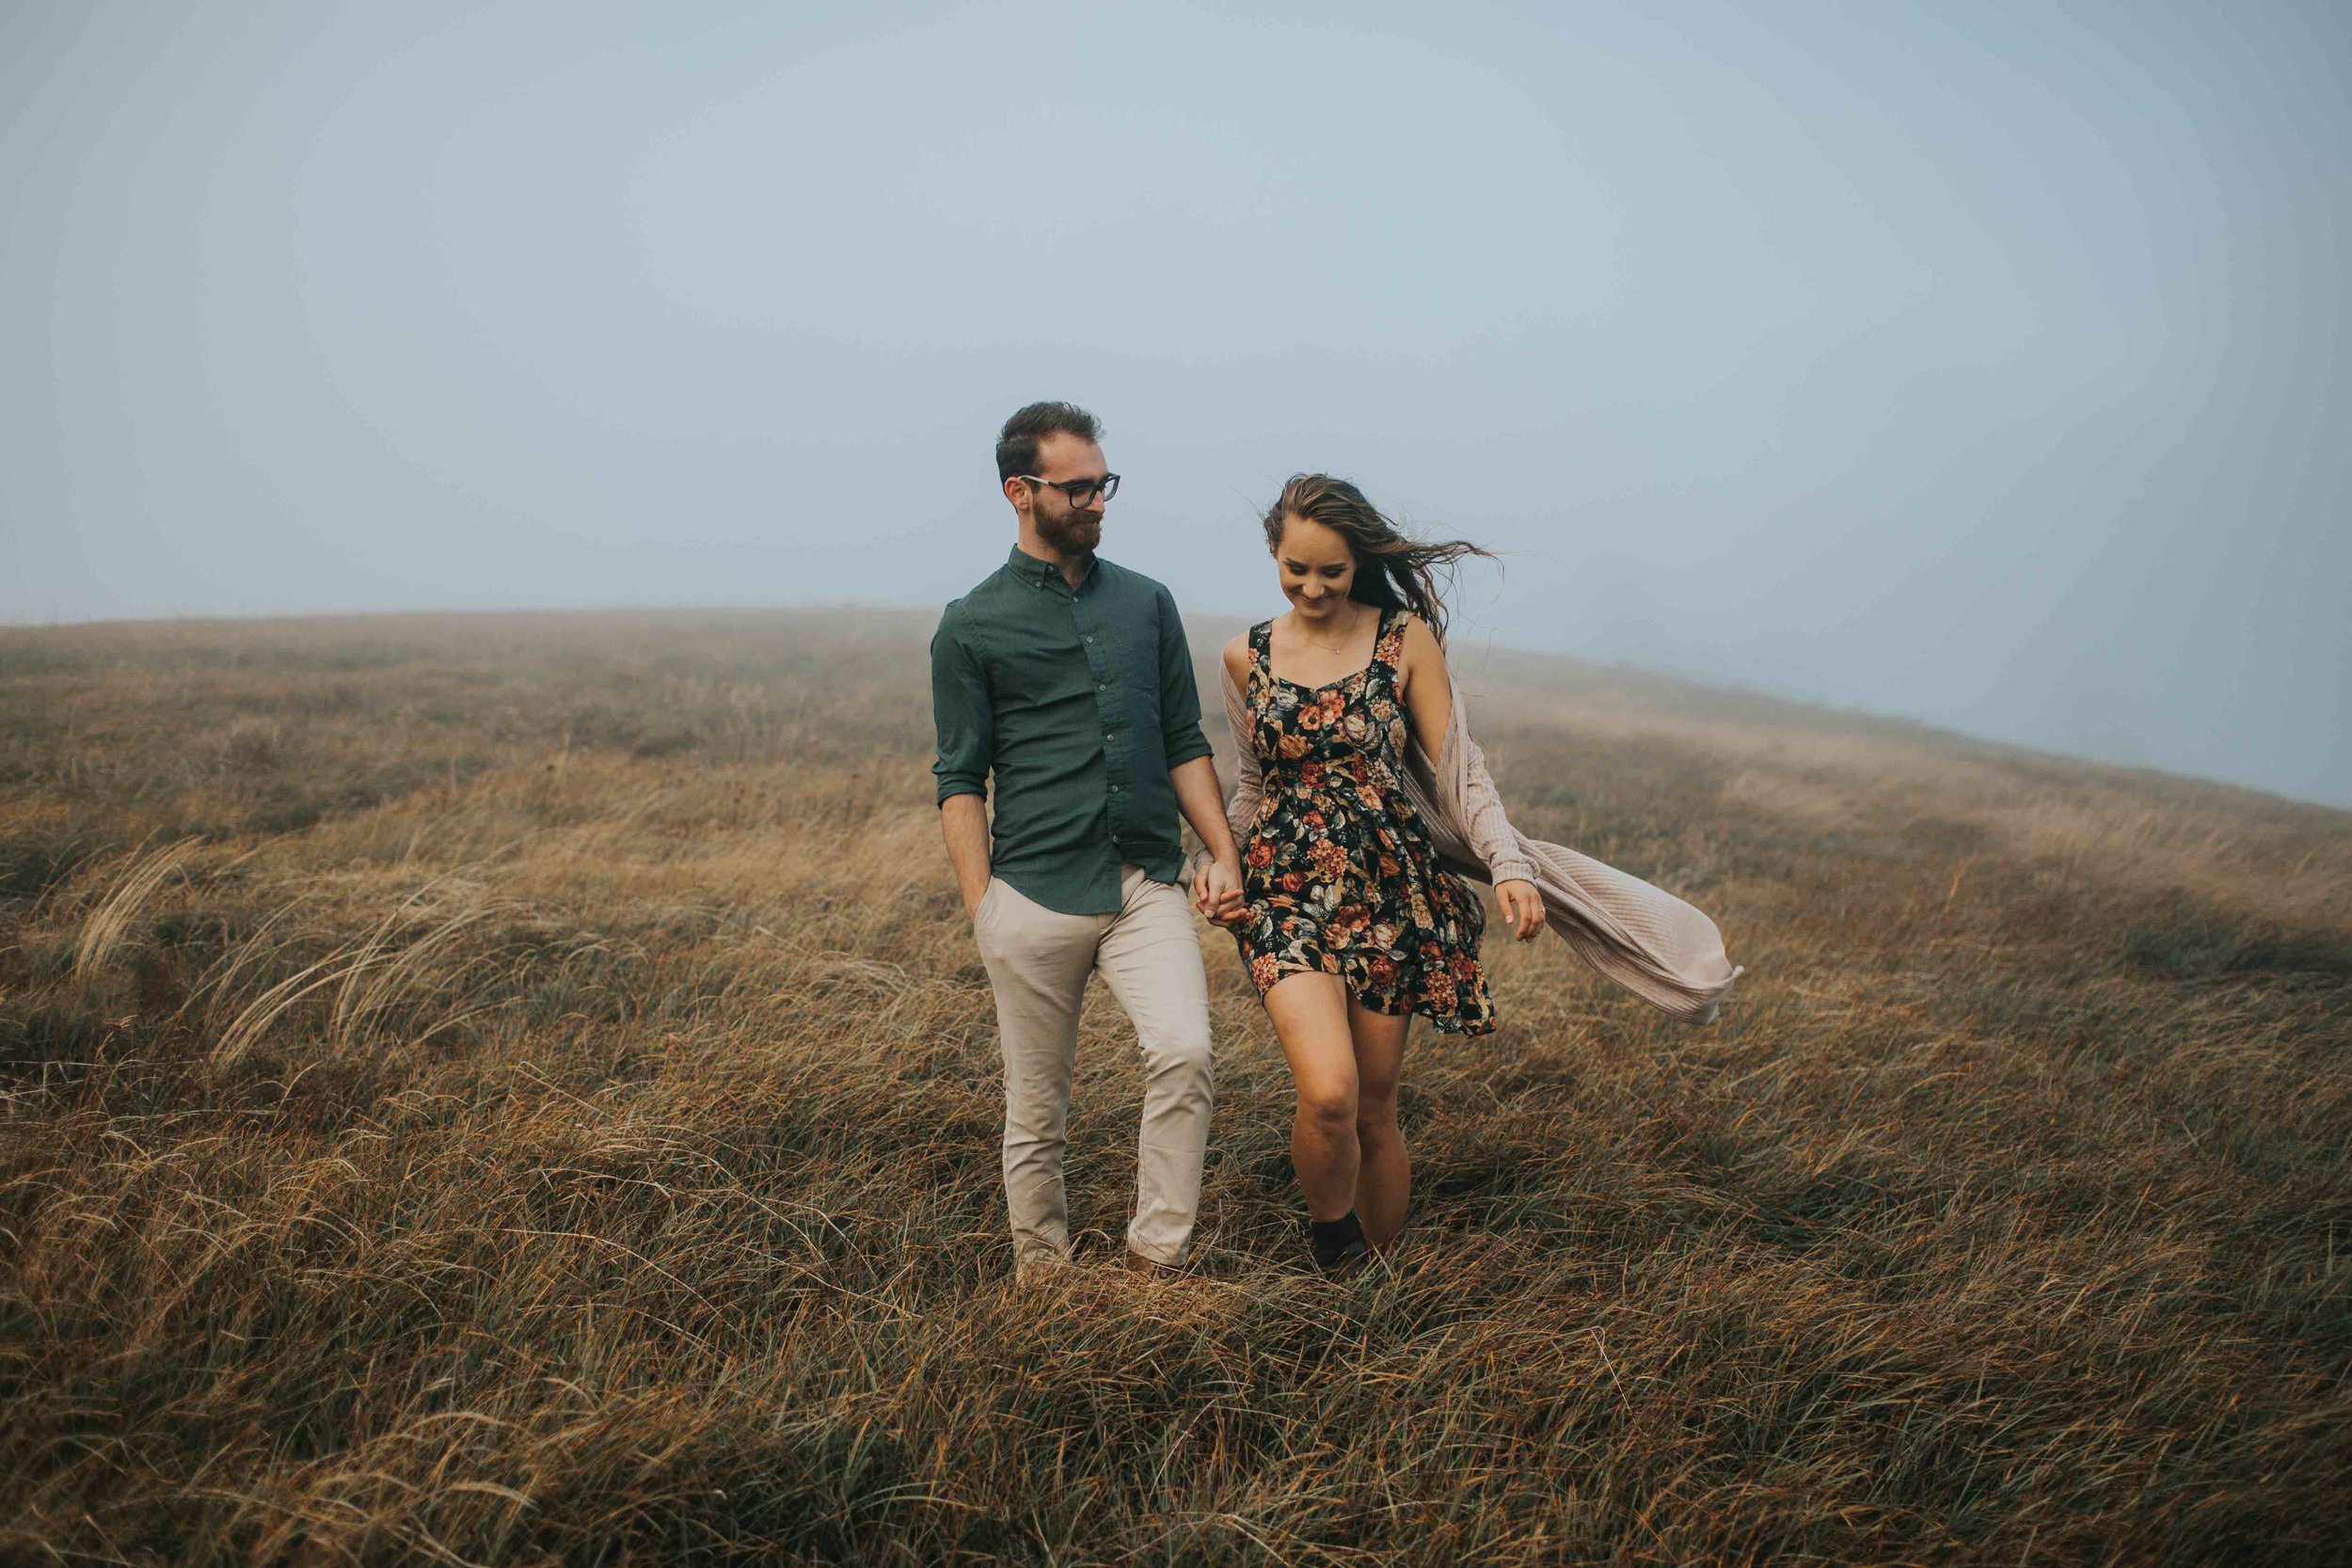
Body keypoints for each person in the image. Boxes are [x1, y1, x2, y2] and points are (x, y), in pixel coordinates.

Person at [1208, 474, 1741, 1275]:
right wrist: (1220, 862)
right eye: (1296, 570)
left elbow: (1462, 772)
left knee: (1376, 1107)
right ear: (1273, 556)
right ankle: (1335, 1254)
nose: (1312, 587)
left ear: (1358, 562)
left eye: (1332, 571)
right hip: (1284, 892)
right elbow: (1253, 784)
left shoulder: (1404, 639)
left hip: (1391, 892)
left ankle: (1374, 1285)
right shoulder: (1244, 655)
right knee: (1328, 1093)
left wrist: (1510, 864)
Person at [931, 402, 1247, 1279]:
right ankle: (1045, 1286)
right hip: (1030, 894)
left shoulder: (1148, 604)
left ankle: (1155, 1264)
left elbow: (1183, 738)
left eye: (1104, 482)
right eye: (1077, 487)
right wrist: (983, 906)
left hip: (1146, 882)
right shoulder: (970, 625)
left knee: (1184, 1051)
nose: (1098, 500)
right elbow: (959, 777)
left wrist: (1221, 852)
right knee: (1037, 1113)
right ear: (1018, 492)